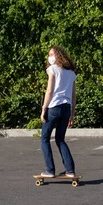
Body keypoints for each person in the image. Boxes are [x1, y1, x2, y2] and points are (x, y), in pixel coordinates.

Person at [40, 45, 77, 178]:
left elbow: (49, 90)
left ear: (59, 56)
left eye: (52, 54)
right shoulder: (71, 73)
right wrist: (72, 114)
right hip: (66, 108)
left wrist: (44, 108)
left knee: (44, 138)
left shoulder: (52, 69)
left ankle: (50, 170)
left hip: (54, 107)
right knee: (60, 139)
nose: (50, 57)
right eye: (49, 54)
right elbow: (73, 95)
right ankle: (70, 170)